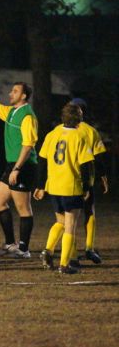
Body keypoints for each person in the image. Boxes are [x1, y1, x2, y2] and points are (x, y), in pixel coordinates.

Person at [0, 64, 38, 258]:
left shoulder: (27, 116)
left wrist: (16, 169)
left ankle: (24, 249)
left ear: (23, 96)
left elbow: (28, 145)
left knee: (23, 207)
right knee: (0, 201)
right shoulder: (12, 112)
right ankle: (9, 244)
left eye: (15, 91)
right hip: (12, 165)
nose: (10, 93)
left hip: (23, 165)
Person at [35, 103, 94, 274]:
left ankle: (48, 250)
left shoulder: (52, 134)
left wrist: (40, 185)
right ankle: (64, 264)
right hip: (71, 187)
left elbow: (42, 160)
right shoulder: (79, 137)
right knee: (69, 227)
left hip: (54, 186)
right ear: (79, 119)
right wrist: (87, 187)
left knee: (60, 222)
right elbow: (85, 165)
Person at [68, 98, 108, 264]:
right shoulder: (91, 131)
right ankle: (89, 248)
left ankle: (72, 254)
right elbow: (98, 158)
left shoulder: (60, 130)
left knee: (69, 219)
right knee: (89, 211)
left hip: (67, 180)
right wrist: (103, 177)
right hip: (87, 179)